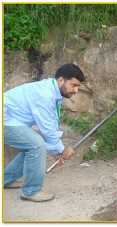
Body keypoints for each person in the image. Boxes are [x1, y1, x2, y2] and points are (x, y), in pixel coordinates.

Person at [4, 63, 85, 202]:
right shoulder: (45, 94)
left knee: (31, 145)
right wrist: (61, 149)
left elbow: (51, 124)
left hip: (11, 120)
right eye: (73, 85)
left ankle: (6, 179)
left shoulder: (53, 92)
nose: (76, 90)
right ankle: (30, 191)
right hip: (5, 120)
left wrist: (57, 151)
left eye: (78, 86)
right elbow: (47, 129)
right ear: (61, 80)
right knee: (36, 145)